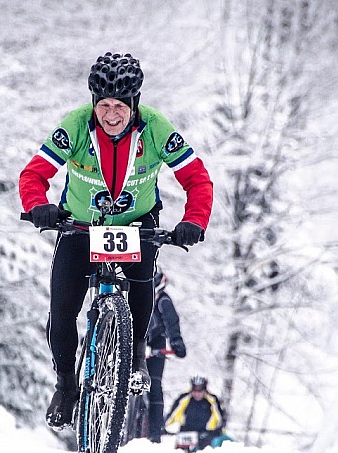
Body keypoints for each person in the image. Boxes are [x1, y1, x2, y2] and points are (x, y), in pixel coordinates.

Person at [19, 52, 214, 430]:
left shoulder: (156, 129)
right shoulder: (75, 126)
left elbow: (197, 180)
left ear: (134, 104)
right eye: (104, 106)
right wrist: (38, 205)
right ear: (94, 104)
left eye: (119, 107)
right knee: (62, 312)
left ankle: (136, 356)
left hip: (137, 225)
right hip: (80, 225)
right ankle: (66, 386)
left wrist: (193, 221)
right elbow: (34, 174)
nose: (111, 115)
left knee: (142, 282)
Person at [144, 267, 186, 442]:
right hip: (133, 340)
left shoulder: (164, 302)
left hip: (156, 343)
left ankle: (155, 431)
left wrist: (176, 342)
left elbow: (171, 322)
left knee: (154, 385)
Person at [164, 376, 228, 448]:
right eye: (194, 391)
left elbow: (221, 419)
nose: (197, 394)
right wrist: (163, 426)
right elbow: (172, 415)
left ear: (204, 390)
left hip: (205, 433)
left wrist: (218, 431)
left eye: (200, 391)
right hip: (186, 432)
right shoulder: (184, 398)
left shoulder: (212, 400)